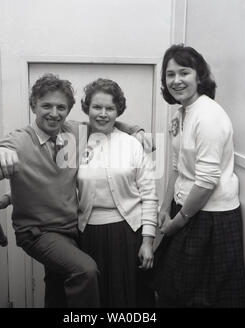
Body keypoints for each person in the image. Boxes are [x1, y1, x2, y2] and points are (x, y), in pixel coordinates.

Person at [0, 73, 142, 308]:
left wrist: (137, 130)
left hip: (72, 230)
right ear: (33, 105)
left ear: (68, 110)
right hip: (39, 233)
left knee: (58, 291)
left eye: (61, 107)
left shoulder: (74, 132)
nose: (54, 113)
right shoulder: (19, 140)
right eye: (46, 106)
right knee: (85, 271)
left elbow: (104, 121)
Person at [152, 44, 245, 307]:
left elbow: (206, 181)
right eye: (170, 75)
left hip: (210, 216)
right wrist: (164, 206)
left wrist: (178, 221)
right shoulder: (181, 113)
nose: (177, 80)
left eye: (184, 72)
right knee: (171, 290)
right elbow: (176, 165)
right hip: (186, 207)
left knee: (203, 299)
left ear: (199, 76)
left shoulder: (208, 116)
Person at [77, 78, 158, 307]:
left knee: (128, 299)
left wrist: (148, 242)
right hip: (88, 235)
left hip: (128, 234)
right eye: (97, 107)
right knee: (96, 299)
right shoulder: (74, 143)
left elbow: (150, 196)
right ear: (87, 108)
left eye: (110, 108)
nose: (103, 114)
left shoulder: (132, 144)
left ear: (118, 111)